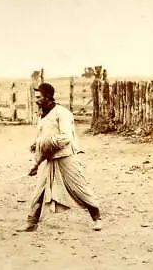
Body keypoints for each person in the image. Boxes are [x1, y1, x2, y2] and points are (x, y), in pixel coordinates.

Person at [17, 83, 103, 232]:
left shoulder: (62, 113)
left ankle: (97, 219)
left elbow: (66, 138)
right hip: (49, 157)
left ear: (48, 97)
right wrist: (36, 152)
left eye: (39, 97)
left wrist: (42, 143)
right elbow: (42, 138)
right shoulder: (42, 115)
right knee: (40, 190)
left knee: (79, 187)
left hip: (65, 156)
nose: (36, 100)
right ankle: (31, 223)